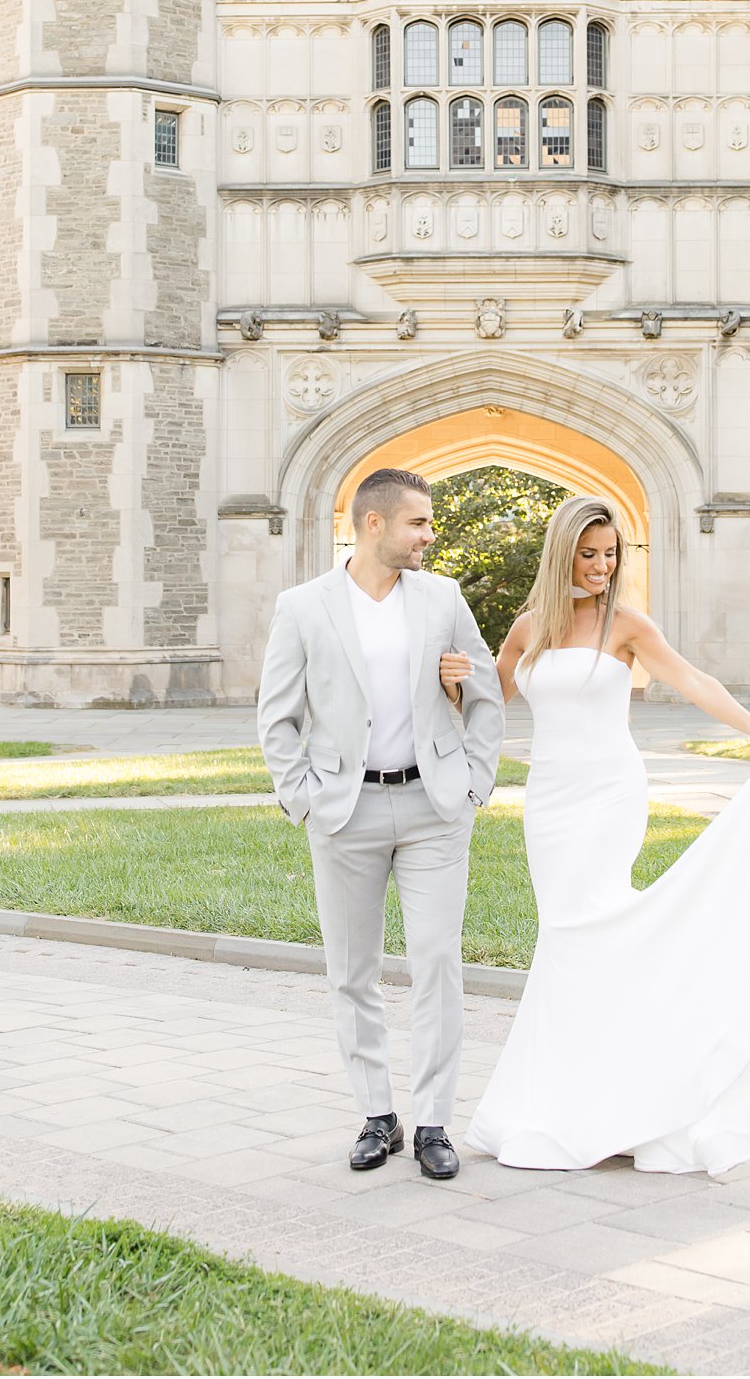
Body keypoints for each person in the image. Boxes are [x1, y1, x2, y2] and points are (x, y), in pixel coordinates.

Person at [448, 493, 750, 1175]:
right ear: (563, 552)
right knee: (566, 935)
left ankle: (609, 1104)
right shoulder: (527, 629)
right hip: (550, 799)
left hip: (609, 794)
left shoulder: (626, 623)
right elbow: (486, 707)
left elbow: (690, 677)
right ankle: (566, 1101)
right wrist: (455, 681)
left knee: (591, 928)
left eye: (611, 553)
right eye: (590, 553)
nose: (602, 566)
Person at [257, 467, 504, 1181]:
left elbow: (484, 691)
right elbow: (278, 718)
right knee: (353, 971)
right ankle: (376, 1114)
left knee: (436, 961)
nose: (430, 535)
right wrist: (302, 797)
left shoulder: (444, 598)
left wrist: (475, 780)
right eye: (419, 523)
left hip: (433, 807)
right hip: (345, 810)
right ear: (374, 524)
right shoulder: (303, 607)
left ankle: (432, 1122)